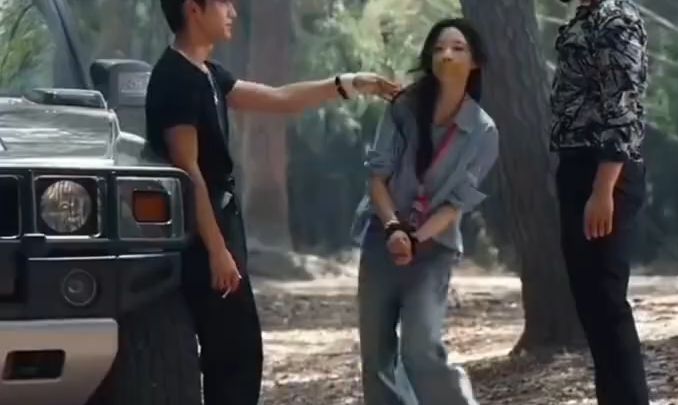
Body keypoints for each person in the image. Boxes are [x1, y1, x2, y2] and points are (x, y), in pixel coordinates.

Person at [145, 1, 399, 404]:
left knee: (240, 352)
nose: (232, 11)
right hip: (202, 234)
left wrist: (349, 84)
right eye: (223, 3)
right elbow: (188, 171)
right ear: (193, 9)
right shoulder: (175, 79)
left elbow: (280, 98)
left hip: (223, 225)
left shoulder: (208, 73)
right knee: (232, 355)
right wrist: (217, 251)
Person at [350, 17, 499, 405]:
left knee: (421, 348)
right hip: (382, 237)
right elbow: (377, 178)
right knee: (376, 356)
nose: (446, 55)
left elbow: (455, 206)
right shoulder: (403, 108)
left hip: (434, 248)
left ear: (475, 62)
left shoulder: (483, 132)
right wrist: (393, 229)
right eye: (438, 49)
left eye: (457, 48)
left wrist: (415, 239)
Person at [550, 1, 650, 404]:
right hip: (578, 166)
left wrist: (603, 188)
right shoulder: (586, 16)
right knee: (592, 307)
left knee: (607, 306)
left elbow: (622, 106)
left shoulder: (616, 18)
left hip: (605, 170)